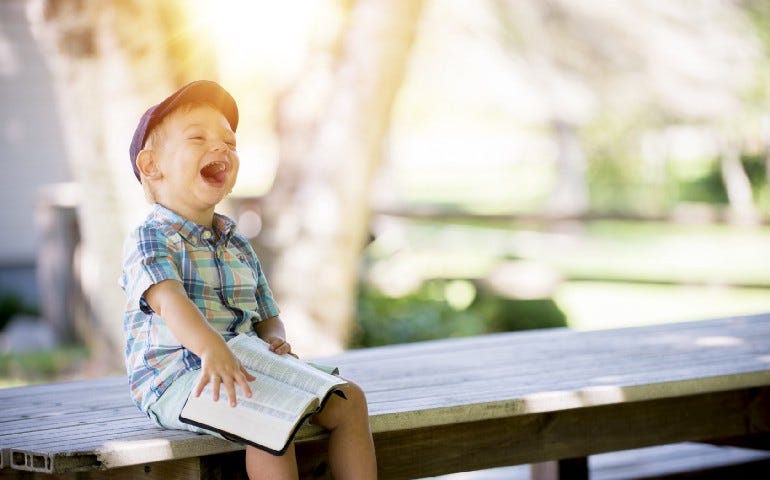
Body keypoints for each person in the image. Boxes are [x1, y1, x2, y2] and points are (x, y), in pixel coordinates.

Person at [120, 80, 377, 480]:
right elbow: (170, 302)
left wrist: (274, 337)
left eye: (230, 141)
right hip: (179, 377)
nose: (222, 147)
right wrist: (211, 350)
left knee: (349, 399)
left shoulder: (236, 241)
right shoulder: (151, 236)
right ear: (152, 166)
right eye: (198, 137)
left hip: (245, 364)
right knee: (271, 416)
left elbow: (266, 313)